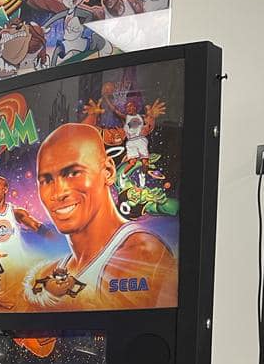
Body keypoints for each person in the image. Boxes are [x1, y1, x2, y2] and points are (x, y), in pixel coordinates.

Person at [31, 121, 176, 309]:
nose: (58, 193)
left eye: (73, 173)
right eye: (46, 180)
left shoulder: (142, 253)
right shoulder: (54, 270)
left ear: (108, 171)